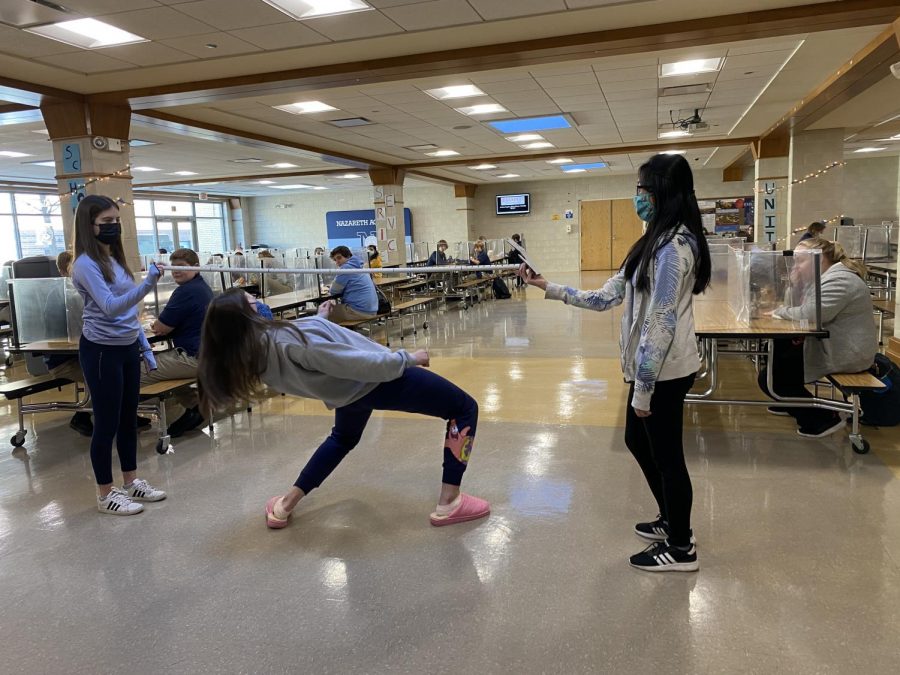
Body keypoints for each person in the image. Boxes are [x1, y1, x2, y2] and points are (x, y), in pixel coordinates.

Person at [520, 153, 710, 573]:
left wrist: (644, 390)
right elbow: (606, 296)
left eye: (642, 189)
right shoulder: (653, 241)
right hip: (651, 371)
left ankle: (682, 547)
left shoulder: (674, 247)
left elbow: (661, 321)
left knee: (667, 457)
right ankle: (671, 520)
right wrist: (546, 285)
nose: (637, 196)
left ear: (661, 192)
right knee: (639, 441)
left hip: (663, 372)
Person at [196, 288, 490, 530]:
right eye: (252, 303)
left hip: (347, 394)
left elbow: (305, 352)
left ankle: (284, 505)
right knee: (464, 408)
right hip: (377, 380)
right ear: (246, 317)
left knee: (342, 439)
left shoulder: (255, 352)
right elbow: (350, 362)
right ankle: (449, 502)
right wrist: (407, 358)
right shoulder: (287, 340)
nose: (260, 303)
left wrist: (320, 320)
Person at [71, 195, 166, 516]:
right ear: (89, 225)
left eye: (116, 221)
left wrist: (144, 348)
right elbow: (112, 308)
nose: (113, 227)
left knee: (129, 420)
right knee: (107, 423)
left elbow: (130, 315)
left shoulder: (115, 260)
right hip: (101, 352)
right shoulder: (85, 265)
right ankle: (104, 493)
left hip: (126, 347)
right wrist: (149, 283)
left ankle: (131, 481)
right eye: (106, 222)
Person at [760, 237, 876, 437]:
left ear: (819, 258)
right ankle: (789, 400)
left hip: (847, 353)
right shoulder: (823, 278)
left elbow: (809, 314)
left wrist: (781, 310)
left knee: (772, 376)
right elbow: (799, 308)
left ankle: (822, 419)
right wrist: (794, 286)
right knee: (776, 357)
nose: (795, 266)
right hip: (833, 344)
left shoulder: (839, 280)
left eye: (800, 261)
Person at [142, 248, 213, 438]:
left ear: (196, 267)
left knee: (135, 372)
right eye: (173, 267)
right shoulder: (202, 287)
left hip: (192, 357)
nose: (176, 271)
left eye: (182, 266)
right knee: (163, 365)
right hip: (207, 355)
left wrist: (153, 324)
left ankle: (128, 418)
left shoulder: (186, 291)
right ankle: (194, 407)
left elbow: (161, 328)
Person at [327, 245, 378, 323]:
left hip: (359, 311)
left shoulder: (345, 269)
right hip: (372, 310)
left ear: (348, 256)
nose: (337, 262)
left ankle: (336, 335)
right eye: (335, 260)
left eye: (339, 258)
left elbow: (333, 291)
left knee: (323, 313)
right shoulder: (359, 266)